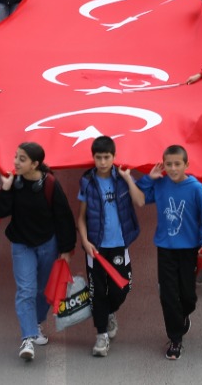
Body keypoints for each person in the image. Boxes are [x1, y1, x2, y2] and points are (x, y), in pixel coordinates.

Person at [0, 142, 78, 361]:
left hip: (47, 244)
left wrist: (67, 250)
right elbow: (0, 212)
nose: (15, 162)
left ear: (35, 163)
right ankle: (28, 337)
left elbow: (64, 217)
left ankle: (37, 322)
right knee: (26, 290)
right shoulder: (14, 183)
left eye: (22, 159)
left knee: (43, 290)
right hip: (21, 245)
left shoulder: (50, 185)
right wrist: (5, 188)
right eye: (15, 157)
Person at [133, 145, 202, 360]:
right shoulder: (160, 184)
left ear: (186, 165)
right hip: (165, 248)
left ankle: (184, 315)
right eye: (168, 164)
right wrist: (149, 178)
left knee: (188, 296)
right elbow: (140, 195)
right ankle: (175, 339)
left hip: (189, 250)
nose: (172, 168)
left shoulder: (196, 188)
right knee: (168, 295)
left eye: (177, 164)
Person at [74, 135, 144, 358]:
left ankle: (110, 312)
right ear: (93, 158)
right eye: (98, 157)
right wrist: (85, 242)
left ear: (114, 157)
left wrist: (128, 178)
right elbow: (81, 217)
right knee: (98, 292)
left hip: (119, 244)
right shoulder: (87, 181)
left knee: (122, 288)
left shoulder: (123, 179)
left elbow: (140, 201)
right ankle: (101, 335)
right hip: (95, 247)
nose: (103, 162)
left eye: (107, 157)